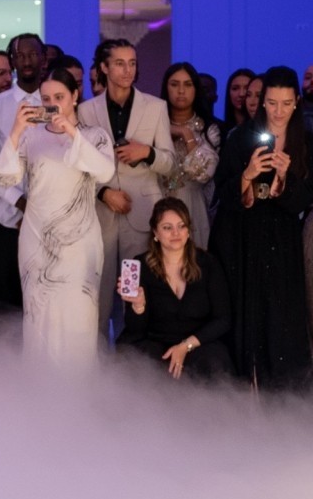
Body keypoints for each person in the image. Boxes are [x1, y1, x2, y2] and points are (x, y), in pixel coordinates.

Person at [0, 68, 115, 368]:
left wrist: (72, 132)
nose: (52, 104)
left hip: (80, 241)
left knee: (79, 316)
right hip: (37, 239)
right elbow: (4, 178)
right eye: (46, 98)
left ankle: (79, 390)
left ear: (75, 96)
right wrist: (16, 130)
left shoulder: (95, 135)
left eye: (59, 97)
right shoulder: (30, 136)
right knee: (39, 317)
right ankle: (39, 389)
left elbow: (105, 172)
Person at [210, 66, 312, 390]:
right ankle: (245, 395)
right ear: (262, 101)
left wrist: (284, 178)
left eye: (286, 103)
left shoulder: (305, 140)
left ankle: (284, 399)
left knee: (282, 318)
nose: (278, 111)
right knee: (247, 314)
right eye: (272, 103)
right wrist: (248, 175)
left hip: (285, 239)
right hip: (245, 237)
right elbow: (221, 192)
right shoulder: (241, 137)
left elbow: (305, 199)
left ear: (296, 102)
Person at [78, 39, 175, 341]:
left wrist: (147, 152)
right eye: (119, 63)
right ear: (104, 68)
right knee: (97, 295)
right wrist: (103, 193)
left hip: (141, 214)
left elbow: (171, 163)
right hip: (101, 214)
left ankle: (133, 361)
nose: (127, 70)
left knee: (135, 294)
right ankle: (93, 364)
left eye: (132, 63)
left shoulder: (155, 107)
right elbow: (79, 167)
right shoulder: (86, 110)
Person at [117, 198, 233, 380]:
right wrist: (138, 306)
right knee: (140, 361)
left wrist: (185, 346)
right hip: (155, 341)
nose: (176, 233)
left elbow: (223, 319)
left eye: (181, 226)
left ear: (188, 231)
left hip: (198, 343)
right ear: (155, 232)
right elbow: (135, 329)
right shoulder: (141, 265)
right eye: (167, 227)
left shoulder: (208, 264)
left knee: (214, 361)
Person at [0, 33, 46, 312]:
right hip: (6, 222)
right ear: (12, 61)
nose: (26, 61)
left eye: (33, 54)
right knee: (3, 310)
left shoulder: (57, 102)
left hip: (48, 223)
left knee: (42, 307)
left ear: (43, 59)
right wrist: (21, 203)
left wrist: (39, 207)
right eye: (20, 55)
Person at [159, 63, 220, 248]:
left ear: (196, 89)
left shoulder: (209, 130)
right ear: (166, 88)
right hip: (157, 202)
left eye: (187, 84)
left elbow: (201, 173)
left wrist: (186, 134)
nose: (181, 91)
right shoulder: (154, 124)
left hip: (193, 206)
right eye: (174, 84)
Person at [219, 67, 256, 142]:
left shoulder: (261, 129)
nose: (241, 94)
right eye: (235, 88)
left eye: (246, 88)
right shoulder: (219, 131)